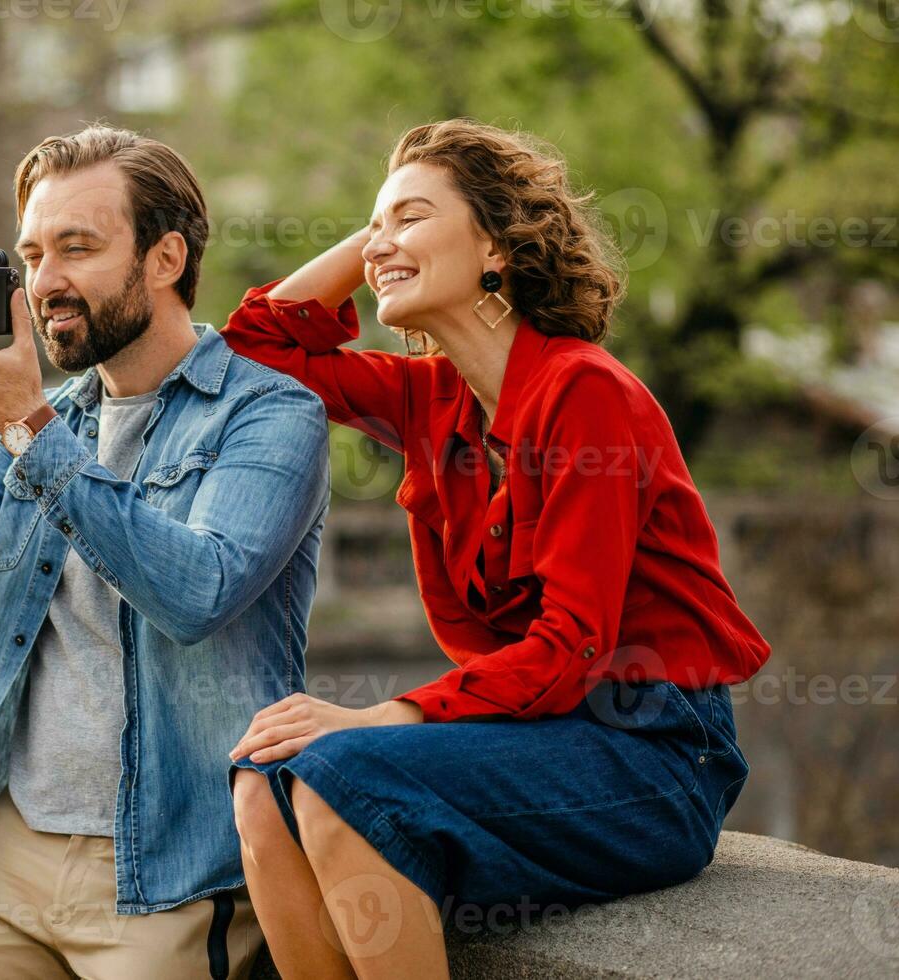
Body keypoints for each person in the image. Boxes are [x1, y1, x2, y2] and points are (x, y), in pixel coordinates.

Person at [219, 119, 772, 980]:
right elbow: (255, 350)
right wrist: (382, 240)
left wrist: (379, 714)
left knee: (336, 775)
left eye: (411, 218)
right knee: (261, 779)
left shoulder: (584, 395)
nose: (379, 247)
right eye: (375, 225)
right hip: (532, 736)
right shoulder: (426, 397)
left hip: (655, 753)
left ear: (494, 246)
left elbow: (571, 647)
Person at [0, 124, 330, 979]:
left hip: (169, 870)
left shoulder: (269, 415)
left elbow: (198, 590)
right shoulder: (49, 418)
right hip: (8, 851)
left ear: (164, 258)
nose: (45, 282)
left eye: (78, 248)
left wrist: (30, 430)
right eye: (32, 254)